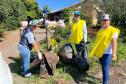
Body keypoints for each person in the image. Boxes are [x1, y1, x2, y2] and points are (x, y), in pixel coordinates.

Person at [90, 14, 120, 84]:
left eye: (106, 20)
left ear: (109, 21)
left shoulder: (113, 30)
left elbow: (114, 42)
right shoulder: (101, 29)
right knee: (102, 65)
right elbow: (99, 40)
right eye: (103, 20)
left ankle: (105, 82)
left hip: (107, 53)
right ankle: (104, 78)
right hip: (100, 52)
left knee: (105, 68)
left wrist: (114, 54)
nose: (104, 21)